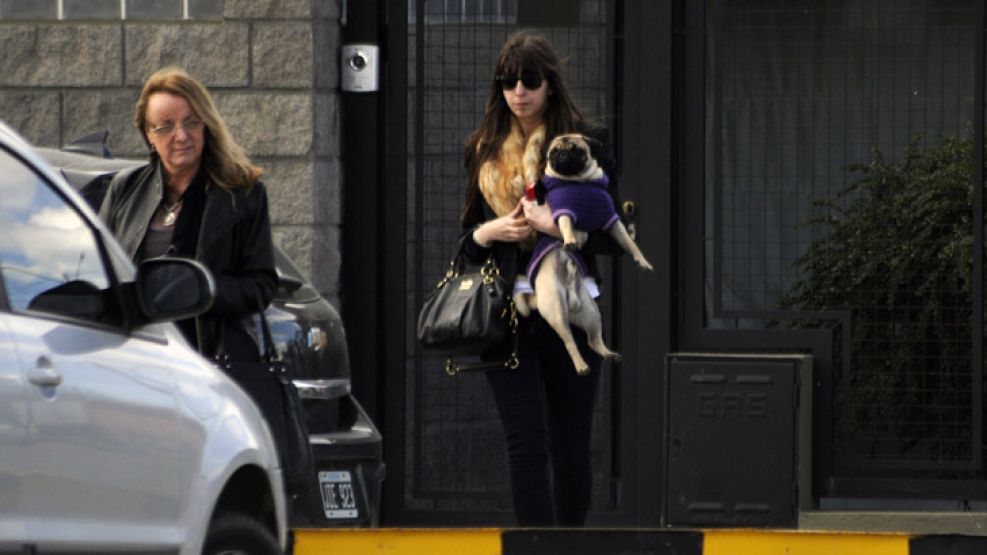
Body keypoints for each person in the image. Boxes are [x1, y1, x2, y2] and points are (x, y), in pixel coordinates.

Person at [460, 30, 624, 527]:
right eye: (508, 81)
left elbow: (610, 230)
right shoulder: (484, 151)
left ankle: (568, 544)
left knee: (570, 444)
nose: (518, 92)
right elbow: (466, 244)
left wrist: (556, 228)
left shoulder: (585, 143)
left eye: (529, 80)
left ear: (550, 83)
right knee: (525, 442)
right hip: (507, 313)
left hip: (571, 309)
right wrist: (493, 230)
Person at [99, 67, 277, 363]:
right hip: (135, 359)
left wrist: (202, 289)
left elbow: (261, 286)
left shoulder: (242, 194)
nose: (181, 136)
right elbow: (97, 272)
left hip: (208, 361)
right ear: (148, 135)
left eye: (191, 122)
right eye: (165, 126)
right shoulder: (124, 190)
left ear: (206, 125)